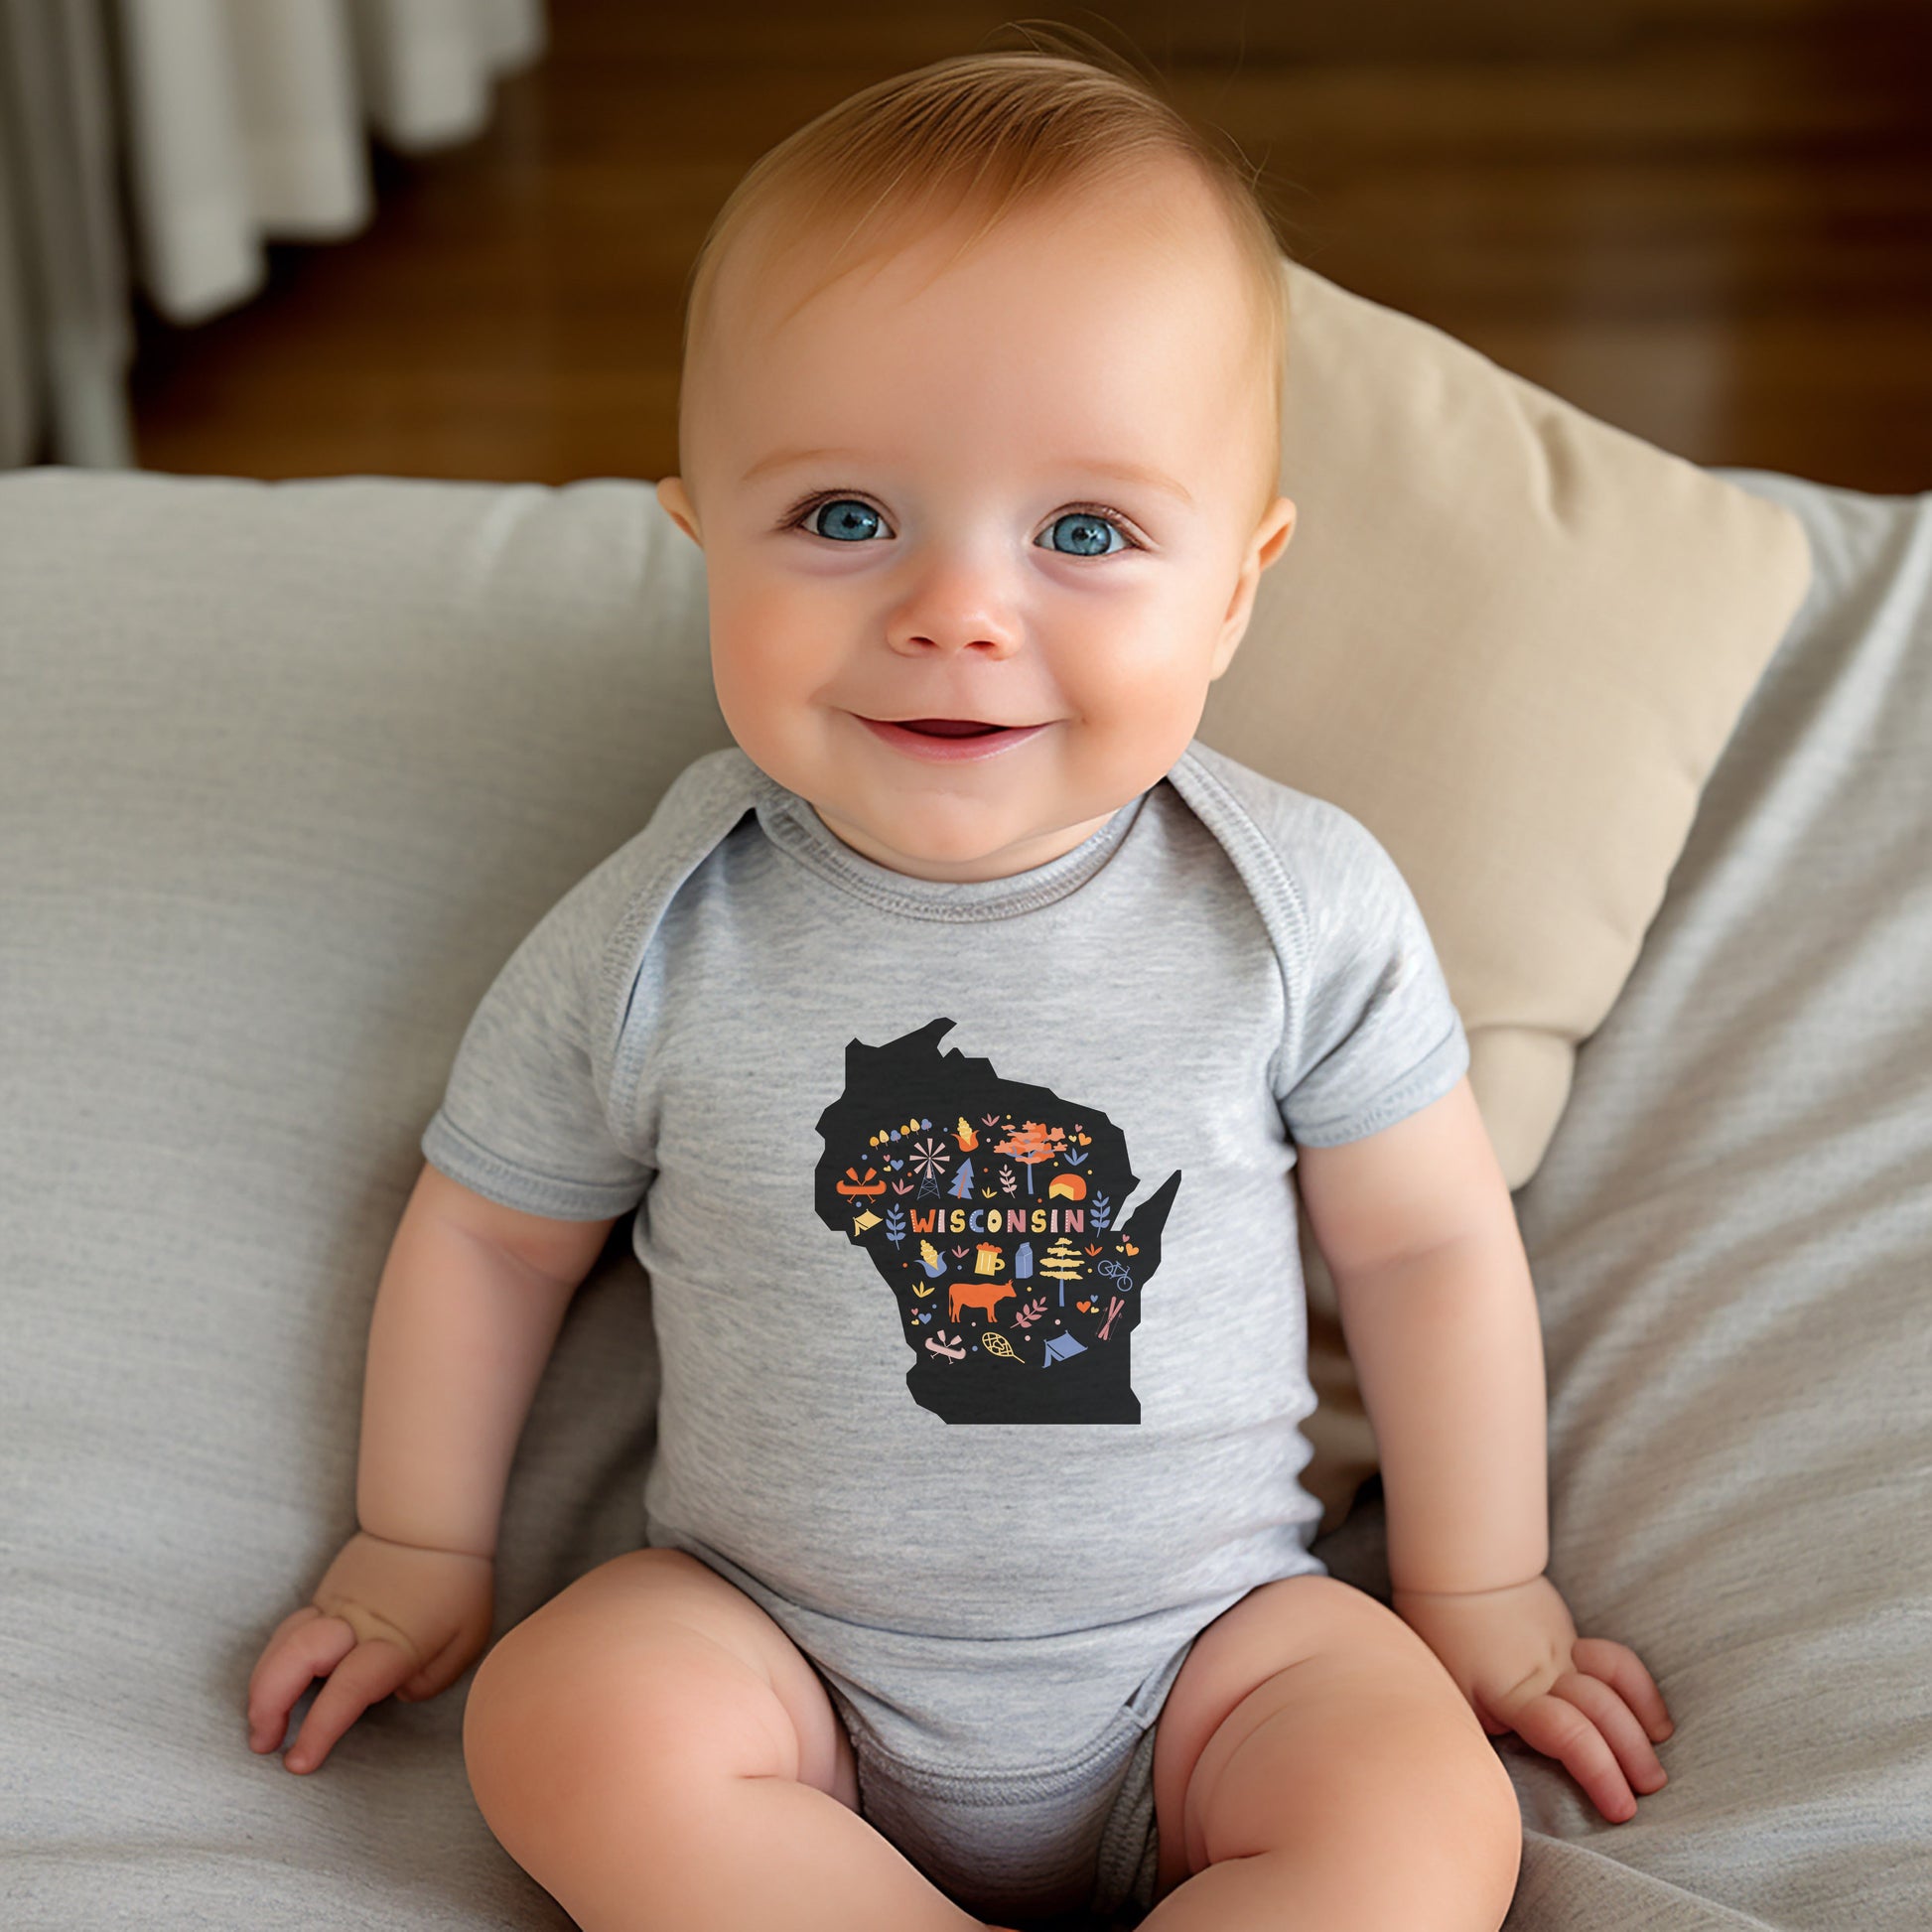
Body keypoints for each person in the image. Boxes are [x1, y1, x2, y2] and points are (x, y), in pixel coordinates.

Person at [244, 38, 1673, 1932]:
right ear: (702, 542)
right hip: (779, 1656)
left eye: (1084, 533)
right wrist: (414, 1543)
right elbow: (495, 1235)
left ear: (1234, 590)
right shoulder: (659, 928)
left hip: (1211, 1657)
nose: (955, 611)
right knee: (567, 1708)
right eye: (844, 517)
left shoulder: (1292, 903)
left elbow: (1421, 1243)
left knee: (1415, 1810)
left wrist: (1480, 1589)